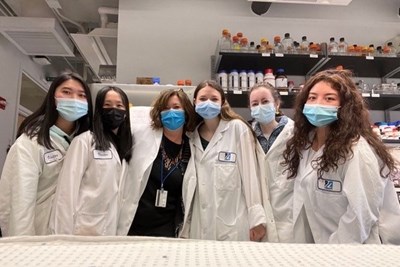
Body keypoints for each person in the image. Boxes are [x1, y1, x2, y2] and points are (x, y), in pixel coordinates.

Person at [282, 69, 400, 244]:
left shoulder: (356, 150)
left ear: (344, 106)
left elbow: (360, 216)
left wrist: (333, 252)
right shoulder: (306, 145)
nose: (317, 104)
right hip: (317, 247)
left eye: (329, 98)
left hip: (351, 251)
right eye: (312, 97)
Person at [0, 72, 93, 236]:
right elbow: (20, 201)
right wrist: (24, 245)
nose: (74, 99)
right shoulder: (31, 143)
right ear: (52, 97)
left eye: (81, 95)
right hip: (40, 231)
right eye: (66, 92)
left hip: (73, 231)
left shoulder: (85, 142)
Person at [180, 80, 266, 241]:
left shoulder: (237, 129)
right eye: (203, 99)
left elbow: (250, 177)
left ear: (222, 102)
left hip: (233, 224)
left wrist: (257, 219)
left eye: (214, 99)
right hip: (200, 224)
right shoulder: (191, 136)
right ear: (194, 102)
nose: (208, 103)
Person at [51, 86, 133, 235]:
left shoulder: (127, 147)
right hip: (83, 228)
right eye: (107, 105)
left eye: (119, 105)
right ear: (99, 111)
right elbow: (66, 192)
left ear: (126, 113)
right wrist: (61, 236)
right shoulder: (84, 141)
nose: (114, 110)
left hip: (112, 228)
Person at [118, 88, 198, 237]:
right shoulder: (142, 136)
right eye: (166, 108)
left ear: (186, 113)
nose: (171, 112)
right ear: (159, 113)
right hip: (133, 222)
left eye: (176, 107)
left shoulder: (191, 148)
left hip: (167, 228)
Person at [248, 83, 294, 243]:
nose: (260, 106)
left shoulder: (295, 133)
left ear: (276, 104)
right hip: (261, 216)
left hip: (290, 214)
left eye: (265, 101)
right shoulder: (247, 135)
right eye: (255, 104)